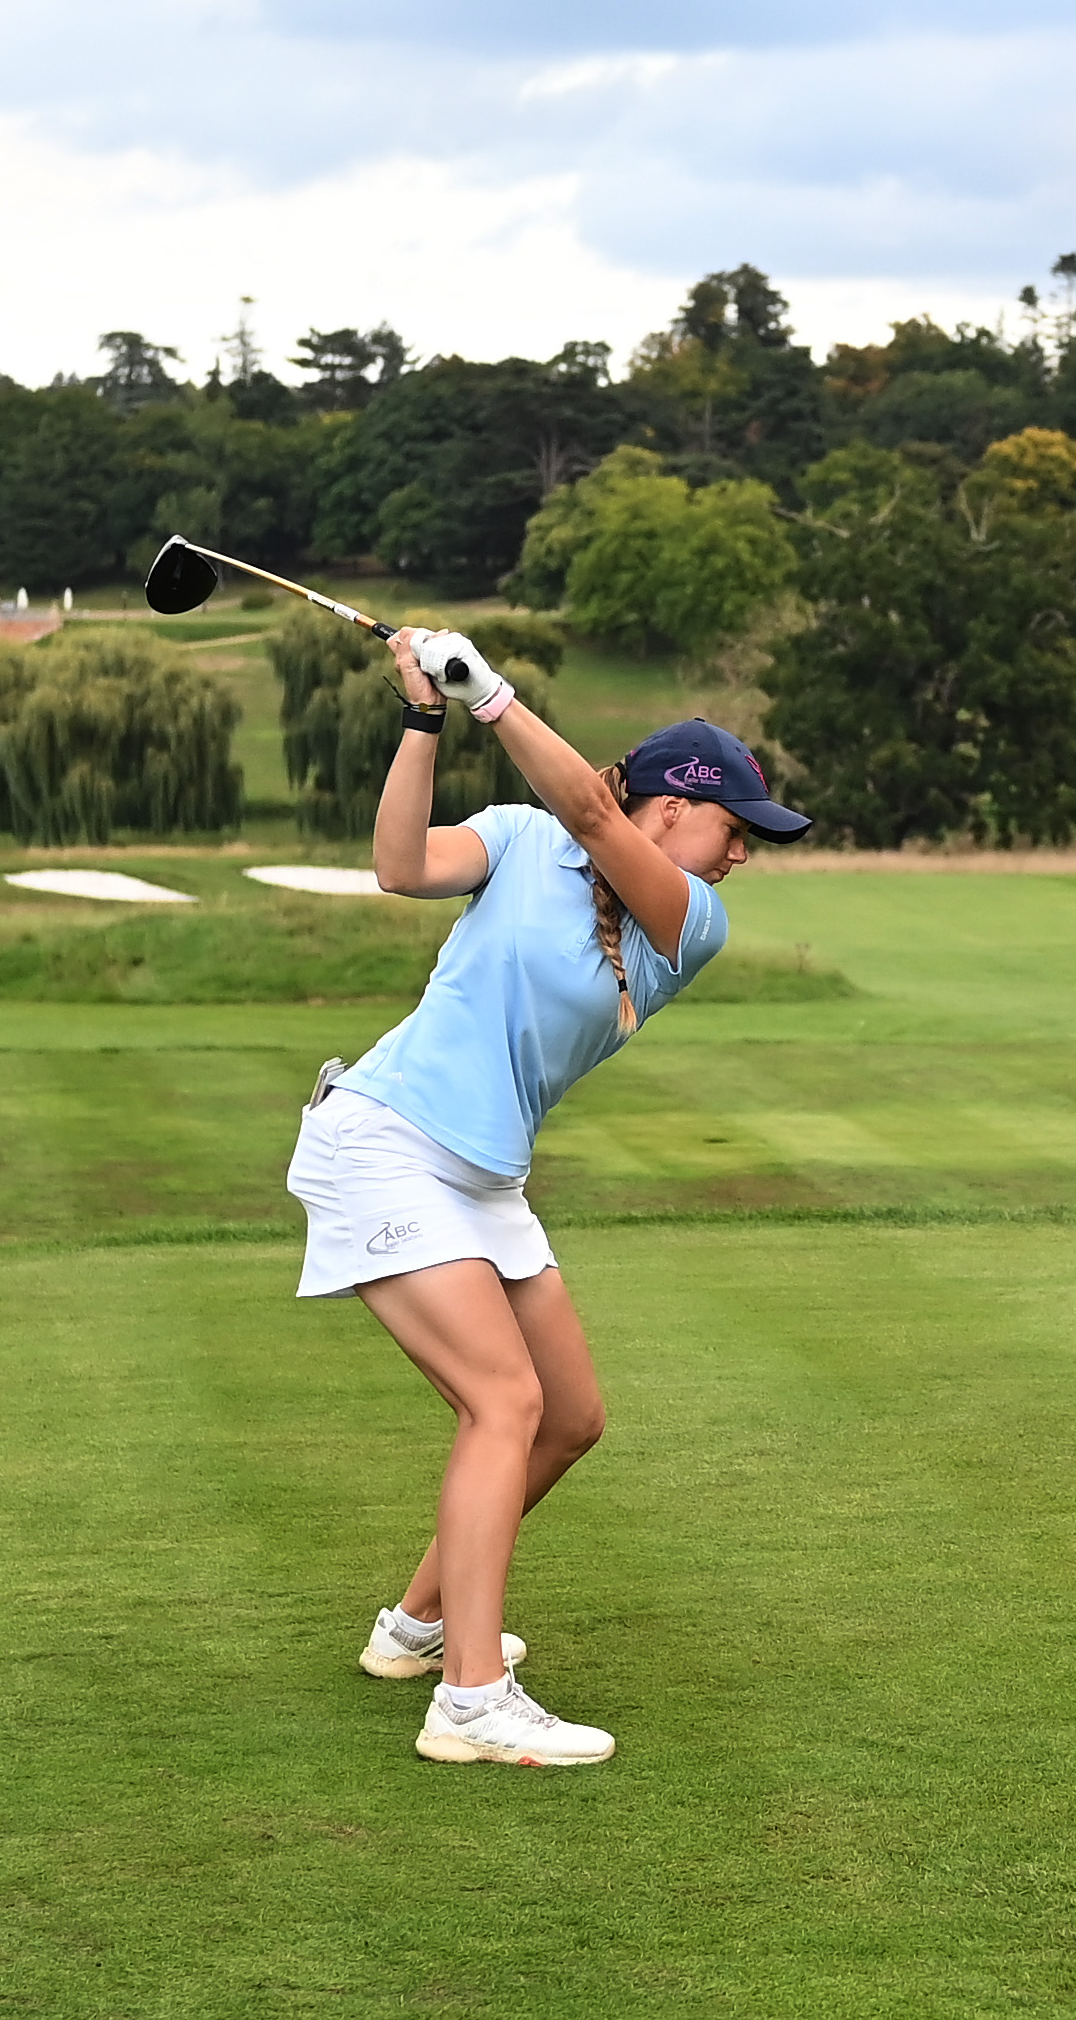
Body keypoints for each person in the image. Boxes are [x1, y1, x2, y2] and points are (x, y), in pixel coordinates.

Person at [285, 626, 811, 1766]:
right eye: (736, 828)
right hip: (382, 1141)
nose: (742, 856)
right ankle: (470, 1701)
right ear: (673, 804)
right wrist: (428, 718)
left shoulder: (689, 922)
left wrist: (494, 696)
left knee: (566, 1415)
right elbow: (399, 866)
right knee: (503, 1404)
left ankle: (416, 1629)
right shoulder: (521, 837)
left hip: (480, 1174)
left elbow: (591, 815)